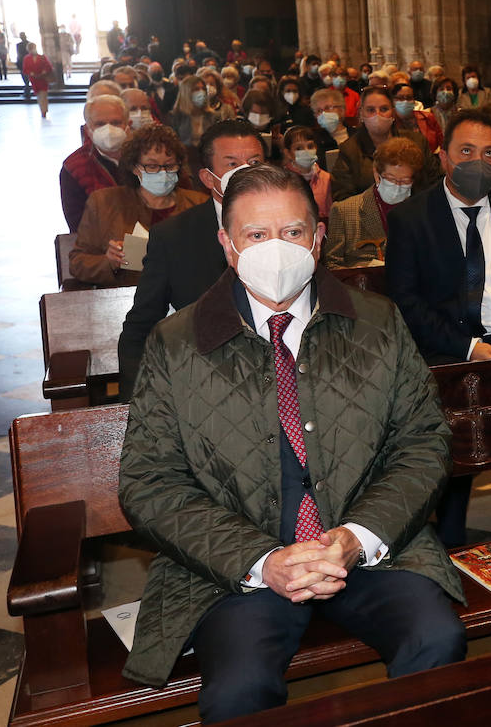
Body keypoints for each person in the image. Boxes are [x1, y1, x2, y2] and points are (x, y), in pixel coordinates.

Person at [118, 163, 465, 722]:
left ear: (319, 237)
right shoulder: (178, 342)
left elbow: (422, 442)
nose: (275, 250)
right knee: (238, 690)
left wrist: (355, 538)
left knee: (437, 639)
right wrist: (262, 560)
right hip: (234, 566)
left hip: (367, 549)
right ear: (227, 245)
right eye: (256, 235)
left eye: (293, 232)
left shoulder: (376, 321)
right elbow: (149, 483)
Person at [385, 109, 491, 546]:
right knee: (451, 436)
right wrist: (467, 347)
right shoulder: (411, 218)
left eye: (488, 154)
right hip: (451, 346)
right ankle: (450, 535)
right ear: (442, 156)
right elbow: (406, 303)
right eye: (466, 151)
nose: (477, 163)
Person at [117, 120, 267, 399]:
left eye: (255, 162)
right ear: (209, 178)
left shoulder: (290, 228)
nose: (246, 172)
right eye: (232, 164)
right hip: (206, 385)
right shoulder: (174, 237)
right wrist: (137, 407)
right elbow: (140, 328)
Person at [69, 125, 207, 286]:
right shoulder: (104, 202)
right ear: (135, 168)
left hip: (185, 297)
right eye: (152, 166)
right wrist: (110, 261)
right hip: (125, 298)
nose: (162, 173)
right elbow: (77, 263)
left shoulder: (199, 204)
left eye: (169, 166)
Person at [325, 136, 424, 270]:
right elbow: (332, 265)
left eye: (405, 181)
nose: (397, 186)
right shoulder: (344, 211)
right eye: (391, 179)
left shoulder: (422, 212)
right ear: (377, 174)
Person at [330, 87, 436, 201]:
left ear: (393, 113)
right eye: (371, 110)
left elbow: (434, 181)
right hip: (368, 214)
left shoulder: (417, 142)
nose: (378, 115)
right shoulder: (349, 149)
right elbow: (342, 195)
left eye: (384, 109)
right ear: (361, 114)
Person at [60, 94, 131, 232]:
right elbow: (77, 223)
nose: (109, 129)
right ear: (88, 129)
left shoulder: (146, 158)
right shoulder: (74, 167)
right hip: (101, 242)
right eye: (100, 124)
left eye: (116, 122)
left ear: (128, 125)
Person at [282, 124, 332, 221]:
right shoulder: (281, 180)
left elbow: (330, 213)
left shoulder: (327, 178)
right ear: (288, 153)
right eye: (299, 148)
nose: (306, 151)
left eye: (310, 146)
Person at [391, 81, 442, 151]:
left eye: (409, 98)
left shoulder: (428, 118)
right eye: (400, 98)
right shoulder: (388, 121)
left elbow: (442, 143)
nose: (405, 101)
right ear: (392, 101)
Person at [22, 41, 54, 118]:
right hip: (34, 79)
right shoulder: (27, 59)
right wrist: (31, 73)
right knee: (39, 95)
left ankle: (44, 110)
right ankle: (42, 109)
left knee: (43, 95)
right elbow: (25, 69)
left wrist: (44, 71)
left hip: (42, 79)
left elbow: (48, 66)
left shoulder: (42, 57)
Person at [16, 32, 32, 99]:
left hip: (24, 63)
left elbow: (19, 55)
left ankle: (27, 91)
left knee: (26, 78)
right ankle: (27, 90)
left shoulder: (19, 45)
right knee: (26, 78)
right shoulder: (29, 44)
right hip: (25, 63)